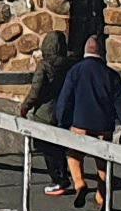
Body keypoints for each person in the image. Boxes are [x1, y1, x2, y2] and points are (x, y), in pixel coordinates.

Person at [52, 32, 121, 209]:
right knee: (102, 161)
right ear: (101, 52)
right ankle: (101, 196)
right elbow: (120, 103)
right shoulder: (110, 75)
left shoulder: (75, 71)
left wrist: (62, 121)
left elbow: (65, 98)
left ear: (85, 51)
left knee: (73, 154)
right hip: (103, 126)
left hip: (80, 123)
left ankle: (79, 183)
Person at [15, 27, 77, 197]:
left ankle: (58, 180)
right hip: (64, 111)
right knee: (60, 146)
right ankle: (63, 176)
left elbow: (36, 90)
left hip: (45, 113)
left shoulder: (44, 66)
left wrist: (25, 106)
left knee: (47, 147)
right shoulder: (70, 64)